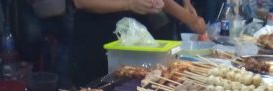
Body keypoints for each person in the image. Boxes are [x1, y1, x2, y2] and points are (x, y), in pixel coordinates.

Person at [70, 0, 206, 86]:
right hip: (94, 37)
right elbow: (81, 2)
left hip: (128, 38)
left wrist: (152, 3)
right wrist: (129, 3)